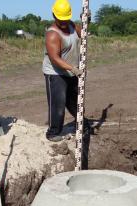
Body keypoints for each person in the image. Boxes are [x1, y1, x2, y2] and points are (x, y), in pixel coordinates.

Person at [42, 0, 82, 142]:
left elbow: (82, 34)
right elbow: (54, 59)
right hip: (55, 73)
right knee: (58, 103)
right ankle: (53, 132)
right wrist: (73, 68)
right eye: (61, 20)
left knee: (74, 101)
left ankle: (82, 123)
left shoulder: (71, 25)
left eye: (66, 19)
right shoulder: (52, 34)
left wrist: (86, 21)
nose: (64, 22)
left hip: (71, 71)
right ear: (54, 15)